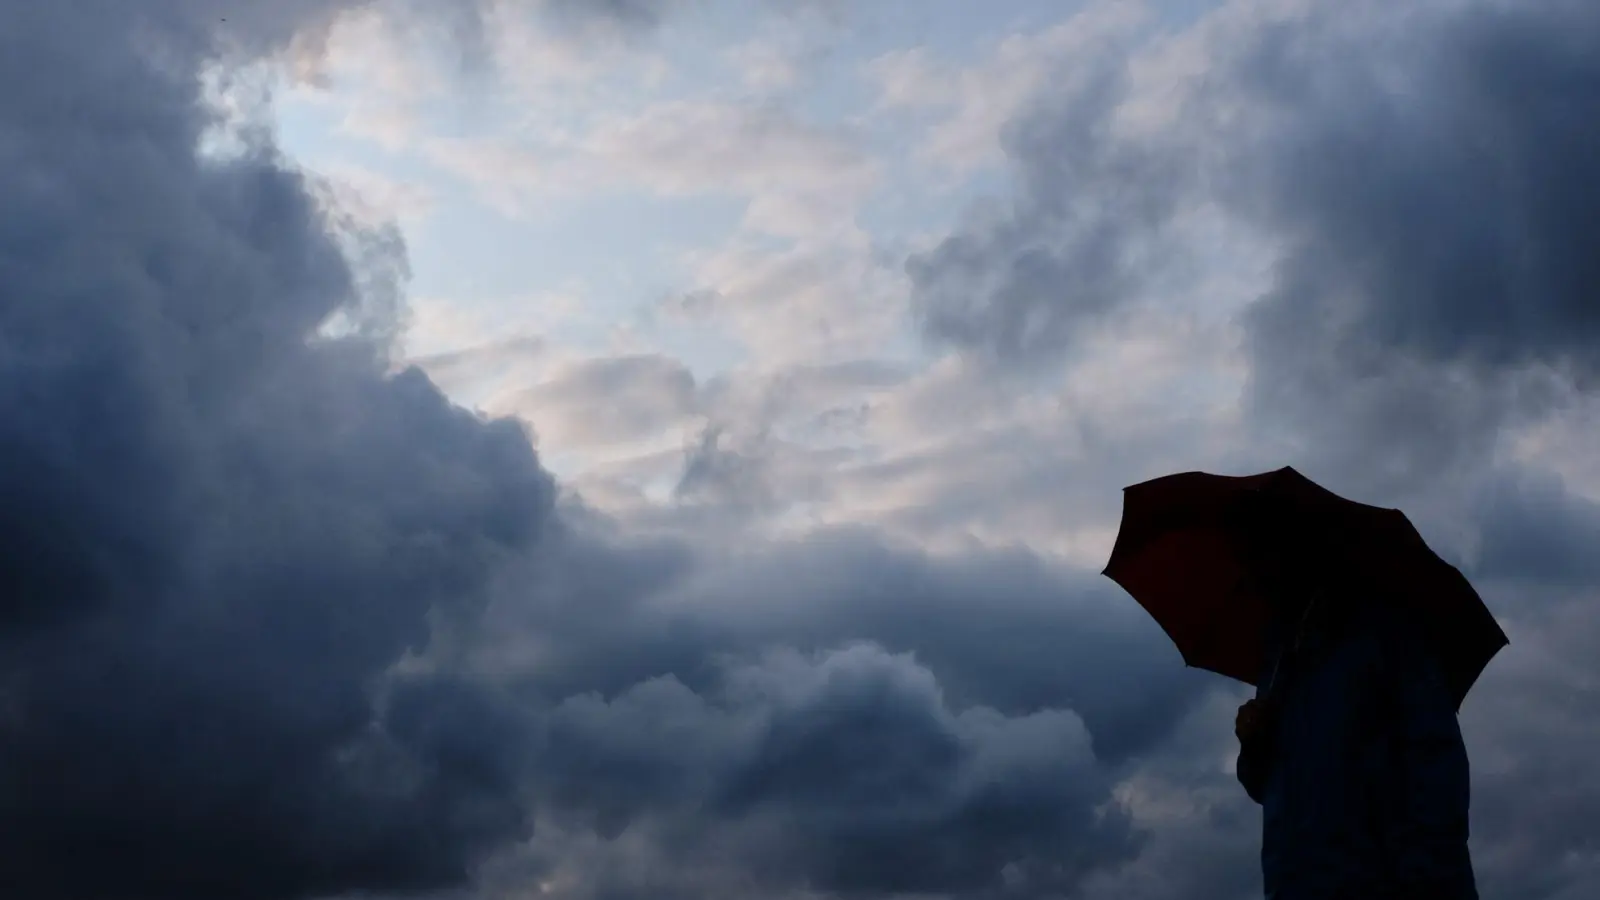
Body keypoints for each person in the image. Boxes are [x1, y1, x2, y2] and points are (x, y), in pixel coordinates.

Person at [1233, 539, 1479, 899]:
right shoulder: (1280, 660)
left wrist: (1426, 880)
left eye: (1259, 553)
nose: (1251, 572)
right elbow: (1271, 787)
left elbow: (1436, 764)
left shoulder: (1386, 633)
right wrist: (1253, 746)